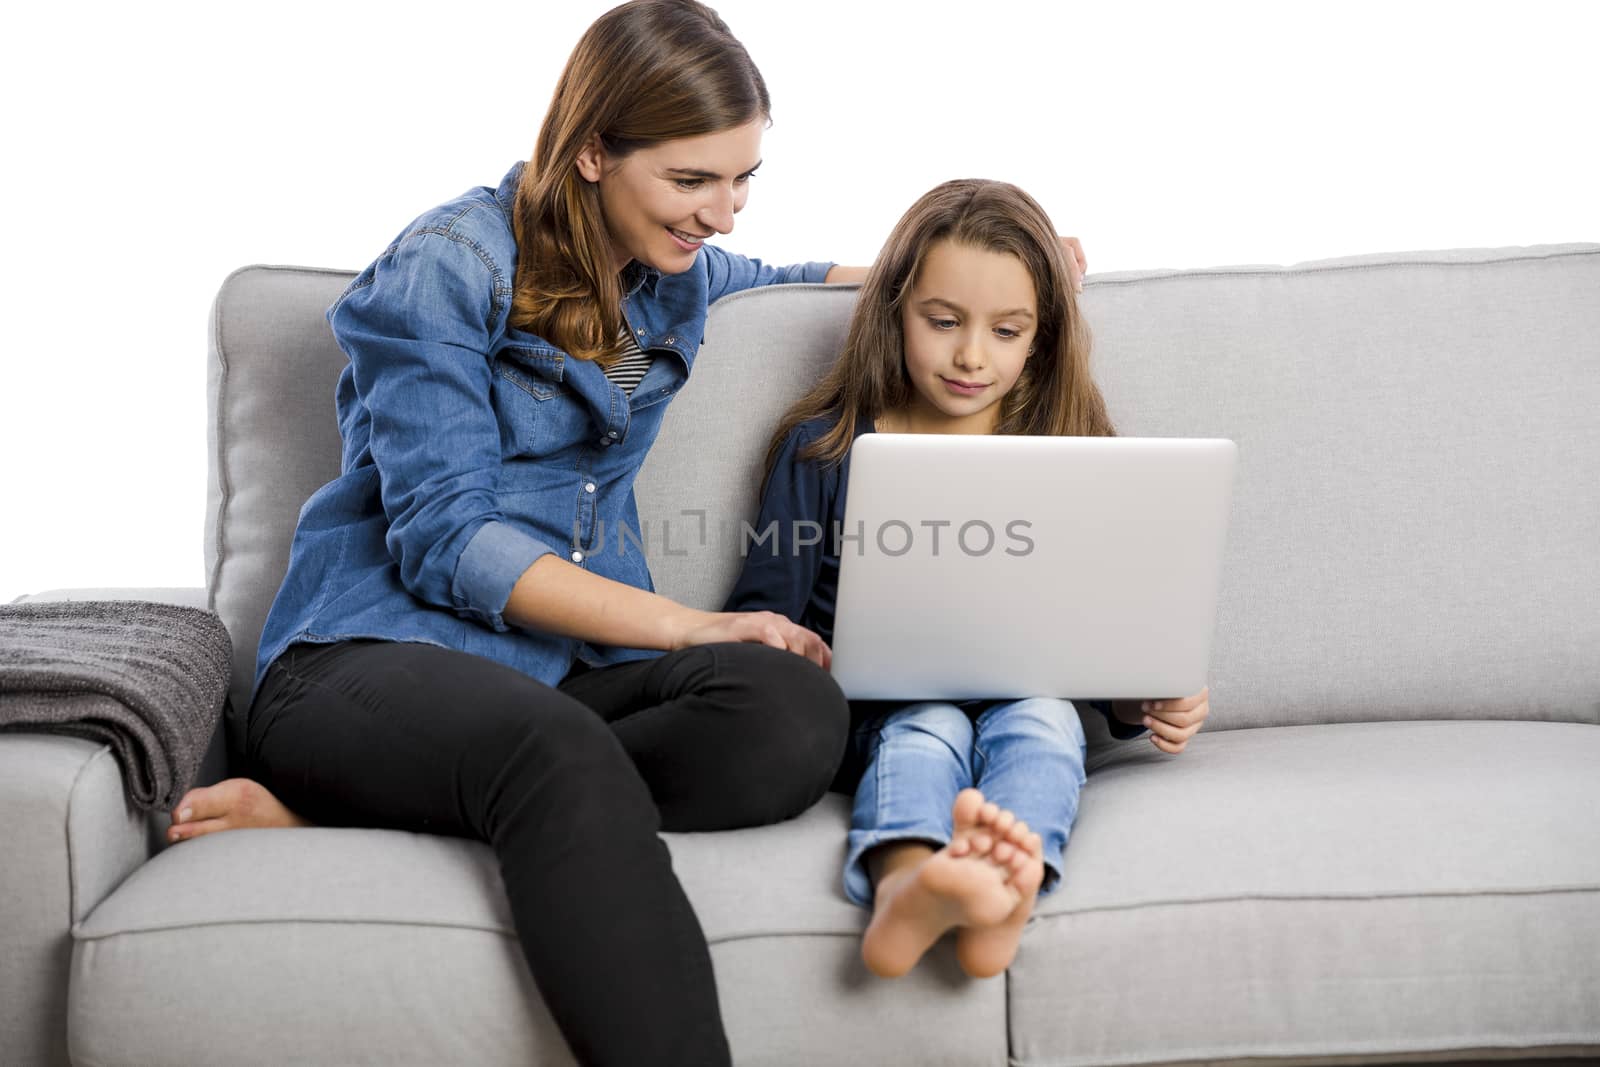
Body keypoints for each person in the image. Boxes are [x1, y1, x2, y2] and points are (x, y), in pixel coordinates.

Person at [162, 2, 921, 1064]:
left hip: (553, 676)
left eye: (744, 178)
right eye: (694, 180)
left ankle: (337, 813)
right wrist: (690, 625)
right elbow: (447, 539)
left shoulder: (673, 273)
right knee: (557, 748)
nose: (725, 214)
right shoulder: (443, 264)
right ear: (594, 150)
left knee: (792, 713)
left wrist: (972, 259)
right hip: (371, 657)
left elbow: (800, 277)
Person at [722, 178, 1211, 982]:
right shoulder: (825, 448)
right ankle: (908, 884)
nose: (971, 354)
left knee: (1047, 722)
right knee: (932, 725)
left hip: (1035, 698)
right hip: (877, 714)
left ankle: (1000, 895)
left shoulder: (1071, 446)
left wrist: (1145, 697)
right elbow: (760, 615)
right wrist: (792, 654)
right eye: (942, 321)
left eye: (1006, 330)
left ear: (1040, 340)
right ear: (894, 312)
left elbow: (1100, 637)